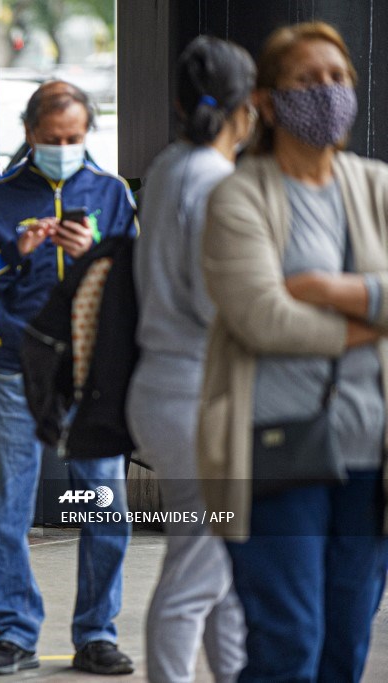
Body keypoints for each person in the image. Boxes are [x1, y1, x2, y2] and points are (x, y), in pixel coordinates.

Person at [199, 21, 388, 682]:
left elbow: (293, 304)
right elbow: (262, 318)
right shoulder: (238, 195)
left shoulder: (376, 185)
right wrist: (374, 316)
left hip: (371, 453)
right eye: (308, 79)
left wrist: (328, 287)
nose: (328, 92)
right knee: (289, 644)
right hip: (272, 448)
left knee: (346, 644)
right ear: (270, 101)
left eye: (338, 79)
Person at [0, 81, 137, 676]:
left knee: (103, 504)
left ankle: (96, 634)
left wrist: (96, 253)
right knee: (9, 507)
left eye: (75, 139)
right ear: (31, 134)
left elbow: (134, 289)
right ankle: (14, 633)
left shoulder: (111, 194)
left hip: (91, 373)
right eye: (53, 139)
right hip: (15, 369)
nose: (65, 148)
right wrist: (15, 254)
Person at [127, 36, 253, 683]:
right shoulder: (217, 181)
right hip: (202, 398)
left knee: (220, 568)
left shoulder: (172, 167)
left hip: (167, 393)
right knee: (197, 572)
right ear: (246, 109)